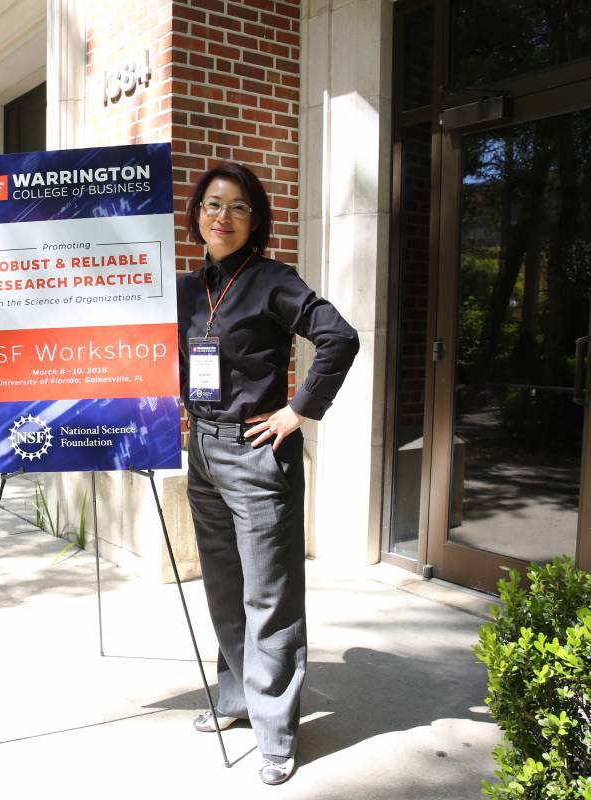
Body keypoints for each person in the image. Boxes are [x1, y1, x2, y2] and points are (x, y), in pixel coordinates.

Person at [177, 162, 359, 785]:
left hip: (257, 455)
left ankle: (276, 733)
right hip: (202, 451)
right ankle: (235, 699)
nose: (220, 217)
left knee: (270, 597)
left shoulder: (271, 281)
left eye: (236, 208)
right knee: (224, 587)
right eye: (210, 205)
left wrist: (298, 410)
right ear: (196, 213)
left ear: (254, 221)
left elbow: (339, 338)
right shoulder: (186, 288)